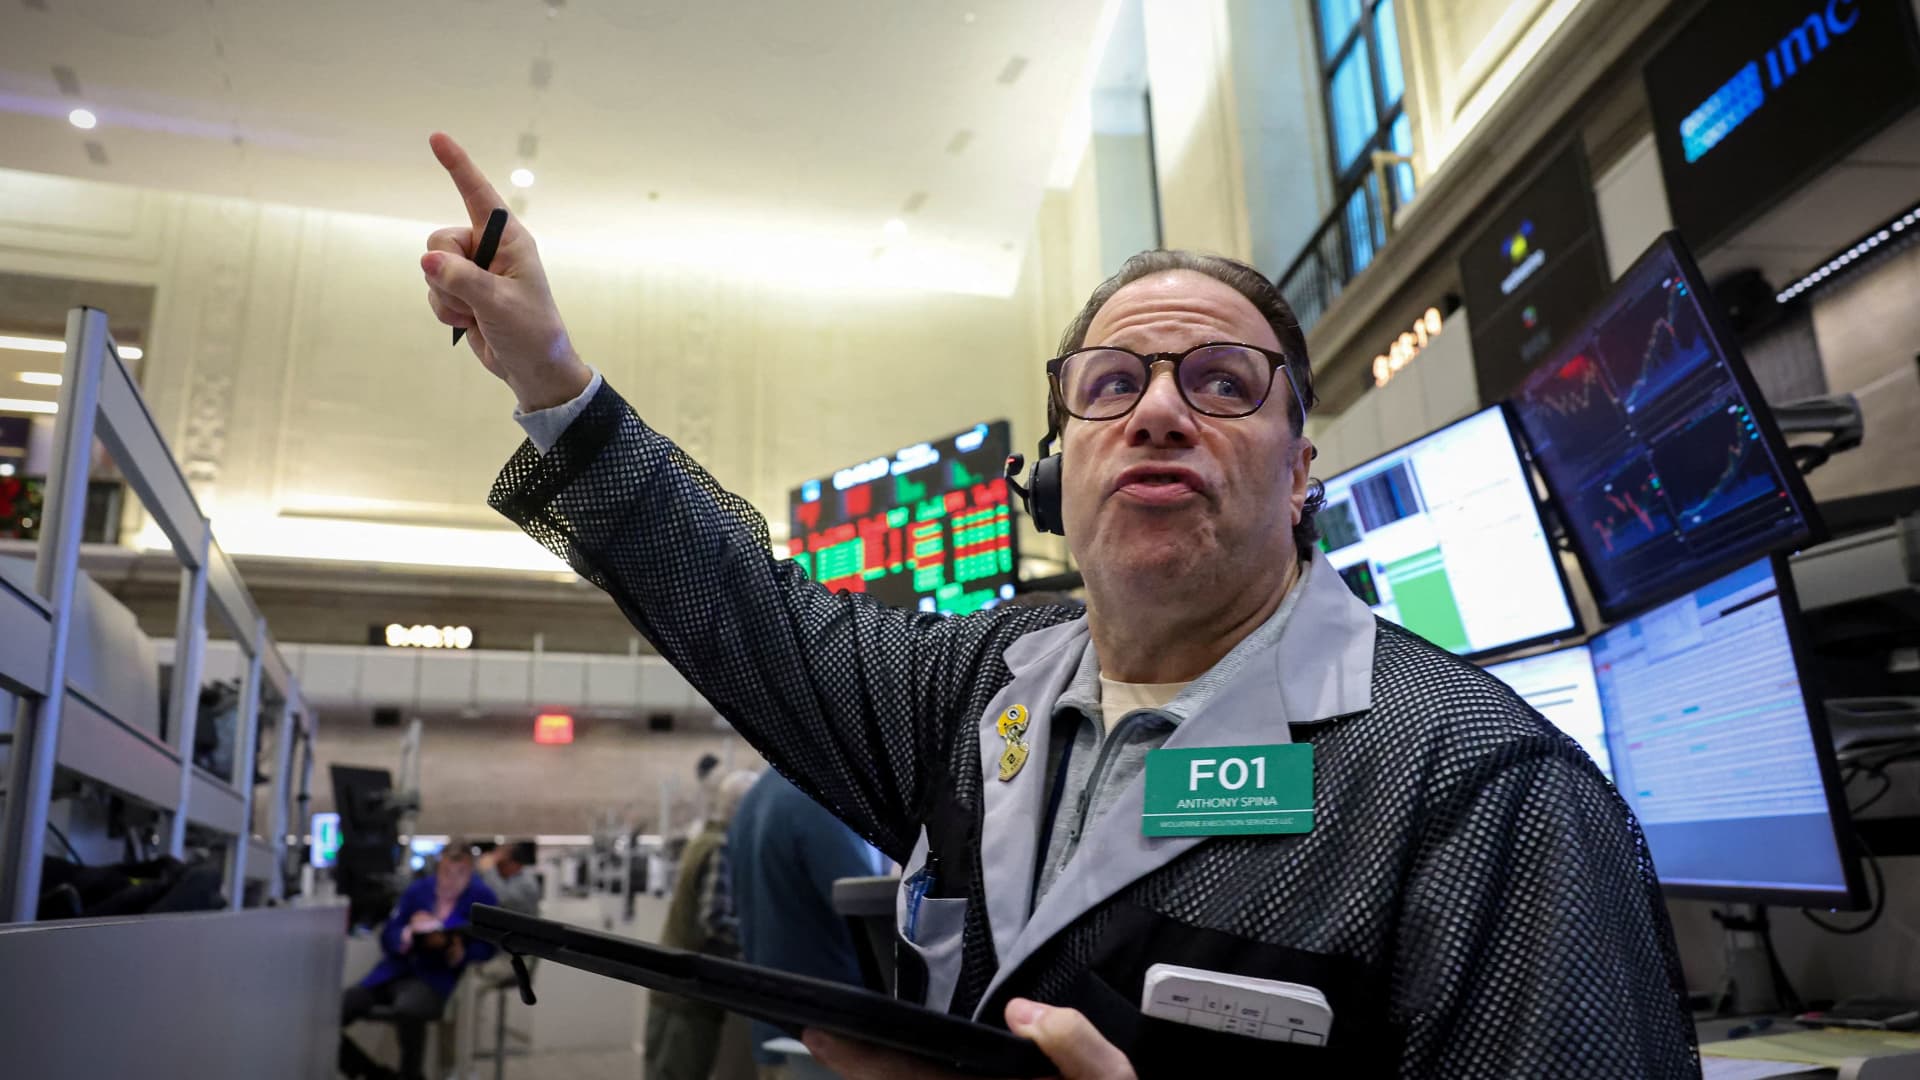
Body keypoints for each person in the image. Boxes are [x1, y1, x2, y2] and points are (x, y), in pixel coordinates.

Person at [420, 133, 1697, 1077]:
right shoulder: (975, 687)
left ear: (1304, 470)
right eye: (1110, 383)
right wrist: (550, 376)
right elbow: (742, 606)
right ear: (1057, 471)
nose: (1158, 410)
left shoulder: (1484, 790)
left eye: (1223, 382)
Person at [728, 768, 887, 1076]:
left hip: (773, 1025)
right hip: (827, 1036)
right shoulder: (820, 798)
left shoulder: (754, 798)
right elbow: (869, 919)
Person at [340, 843, 497, 1080]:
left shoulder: (482, 897)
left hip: (434, 977)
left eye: (460, 871)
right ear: (439, 866)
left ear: (470, 869)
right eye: (448, 870)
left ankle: (411, 1075)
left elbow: (489, 946)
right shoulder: (417, 890)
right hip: (392, 972)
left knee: (410, 1009)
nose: (453, 877)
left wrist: (462, 952)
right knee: (335, 1012)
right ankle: (374, 1074)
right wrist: (407, 934)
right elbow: (389, 934)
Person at [644, 769, 759, 1080]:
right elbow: (715, 920)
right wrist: (761, 944)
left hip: (673, 985)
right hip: (689, 993)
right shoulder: (721, 848)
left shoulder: (701, 841)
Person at [478, 839, 541, 917]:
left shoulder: (527, 882)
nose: (498, 870)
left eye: (501, 864)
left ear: (513, 863)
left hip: (521, 924)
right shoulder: (507, 879)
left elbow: (502, 898)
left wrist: (489, 869)